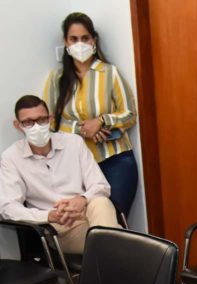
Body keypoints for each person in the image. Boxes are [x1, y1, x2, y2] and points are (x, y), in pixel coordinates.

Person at [44, 12, 139, 220]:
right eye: (74, 39)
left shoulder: (109, 73)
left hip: (115, 160)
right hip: (77, 164)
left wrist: (102, 121)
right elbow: (50, 122)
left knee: (116, 222)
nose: (80, 44)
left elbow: (130, 114)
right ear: (66, 42)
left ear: (93, 40)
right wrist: (83, 129)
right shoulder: (56, 78)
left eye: (85, 38)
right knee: (88, 224)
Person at [0, 94, 120, 255]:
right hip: (60, 228)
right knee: (119, 242)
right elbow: (8, 208)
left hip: (89, 213)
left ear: (50, 119)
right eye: (28, 122)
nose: (36, 127)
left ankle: (114, 255)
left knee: (101, 202)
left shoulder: (74, 143)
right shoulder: (11, 157)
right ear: (18, 125)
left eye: (42, 119)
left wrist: (82, 199)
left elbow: (101, 185)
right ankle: (119, 250)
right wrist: (50, 215)